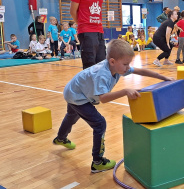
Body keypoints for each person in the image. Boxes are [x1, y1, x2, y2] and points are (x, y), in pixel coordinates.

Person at [53, 39, 173, 173]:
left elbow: (140, 71)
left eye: (129, 64)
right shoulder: (102, 74)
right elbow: (103, 98)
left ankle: (60, 138)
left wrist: (162, 77)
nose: (128, 67)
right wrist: (125, 91)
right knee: (99, 124)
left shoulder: (117, 67)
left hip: (74, 90)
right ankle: (97, 162)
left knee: (71, 116)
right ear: (112, 61)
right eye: (126, 64)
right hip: (77, 96)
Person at [70, 0, 106, 69]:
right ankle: (88, 84)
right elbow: (73, 11)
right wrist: (82, 24)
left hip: (99, 30)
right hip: (86, 31)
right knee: (90, 63)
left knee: (102, 62)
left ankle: (98, 84)